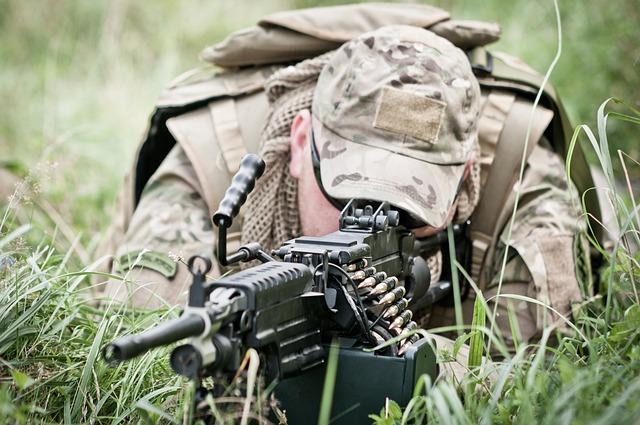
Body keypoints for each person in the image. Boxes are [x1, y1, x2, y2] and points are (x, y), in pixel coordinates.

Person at [99, 18, 589, 378]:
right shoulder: (211, 162)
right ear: (300, 144)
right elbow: (134, 356)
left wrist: (427, 365)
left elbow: (553, 375)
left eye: (410, 206)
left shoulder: (517, 172)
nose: (375, 223)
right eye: (350, 196)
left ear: (465, 176)